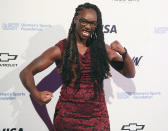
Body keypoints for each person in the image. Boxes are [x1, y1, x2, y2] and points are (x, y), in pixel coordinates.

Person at [20, 2, 135, 131]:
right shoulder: (61, 49)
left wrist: (123, 52)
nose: (88, 26)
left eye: (92, 23)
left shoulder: (101, 48)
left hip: (97, 119)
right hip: (67, 120)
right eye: (84, 21)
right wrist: (36, 94)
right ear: (75, 20)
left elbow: (129, 73)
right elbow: (26, 72)